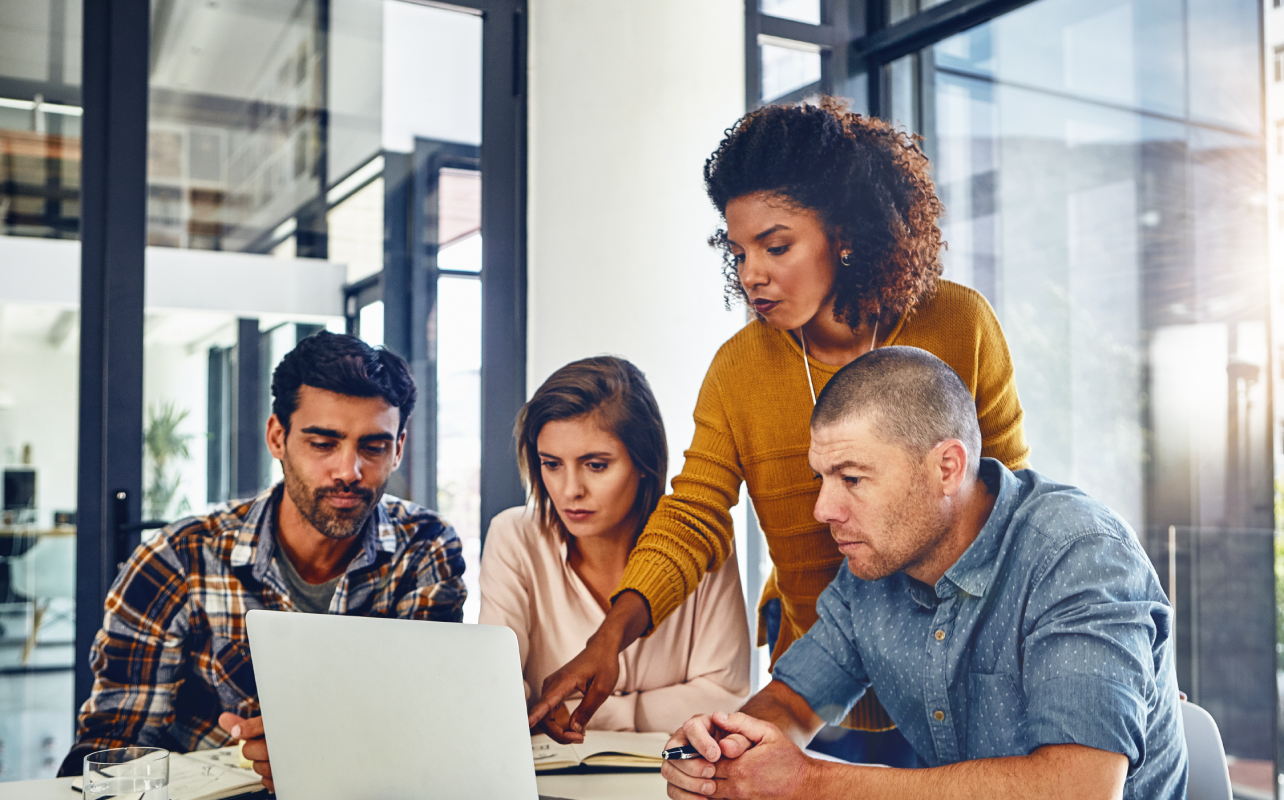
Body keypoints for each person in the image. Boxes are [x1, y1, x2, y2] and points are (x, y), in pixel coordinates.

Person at [529, 98, 1030, 759]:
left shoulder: (960, 323)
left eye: (777, 245)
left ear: (847, 233)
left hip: (963, 683)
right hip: (821, 702)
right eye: (738, 251)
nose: (751, 275)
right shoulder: (741, 370)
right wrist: (607, 642)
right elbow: (695, 513)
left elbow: (1014, 503)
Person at [660, 346, 1187, 800]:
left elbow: (1080, 789)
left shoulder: (1079, 557)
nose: (823, 509)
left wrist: (808, 782)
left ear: (947, 469)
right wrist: (725, 750)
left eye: (852, 477)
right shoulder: (876, 561)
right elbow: (795, 698)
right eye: (821, 477)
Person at [62, 331, 467, 792]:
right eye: (323, 443)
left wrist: (327, 753)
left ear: (397, 449)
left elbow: (426, 723)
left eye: (372, 447)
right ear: (278, 436)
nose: (348, 471)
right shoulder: (180, 558)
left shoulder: (425, 548)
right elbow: (114, 749)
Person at [481, 357, 750, 736]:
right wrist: (662, 708)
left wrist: (592, 714)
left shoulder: (701, 543)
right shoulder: (514, 537)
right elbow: (496, 692)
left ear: (643, 461)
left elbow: (725, 699)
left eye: (595, 465)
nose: (570, 489)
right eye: (552, 464)